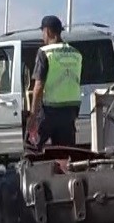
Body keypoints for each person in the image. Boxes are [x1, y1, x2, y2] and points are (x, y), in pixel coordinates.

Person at [26, 15, 84, 151]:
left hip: (50, 111)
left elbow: (39, 86)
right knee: (65, 152)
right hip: (70, 112)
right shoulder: (76, 54)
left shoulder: (45, 53)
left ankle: (31, 171)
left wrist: (33, 116)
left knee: (31, 148)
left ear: (48, 32)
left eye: (43, 33)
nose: (42, 37)